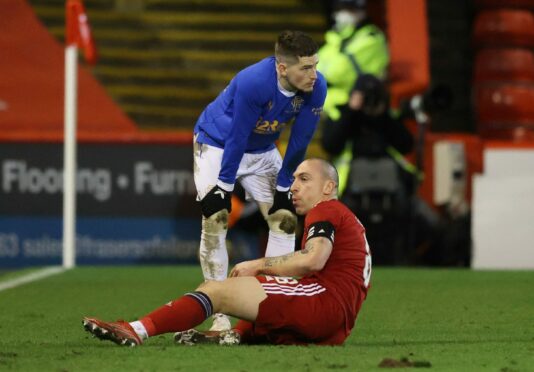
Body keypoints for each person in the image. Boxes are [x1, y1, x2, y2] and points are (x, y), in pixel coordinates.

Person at [82, 158, 372, 346]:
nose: (294, 187)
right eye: (294, 179)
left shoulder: (327, 209)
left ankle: (136, 329)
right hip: (335, 324)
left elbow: (313, 259)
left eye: (305, 179)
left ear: (329, 187)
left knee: (216, 291)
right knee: (261, 300)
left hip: (324, 306)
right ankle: (232, 335)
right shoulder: (347, 218)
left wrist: (258, 265)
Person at [191, 30, 327, 330]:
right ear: (282, 68)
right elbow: (237, 136)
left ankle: (270, 308)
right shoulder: (253, 81)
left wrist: (282, 187)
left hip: (263, 149)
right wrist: (225, 187)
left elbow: (300, 141)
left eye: (315, 65)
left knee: (285, 218)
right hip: (217, 144)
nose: (313, 74)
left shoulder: (317, 88)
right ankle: (220, 313)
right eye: (305, 68)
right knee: (216, 218)